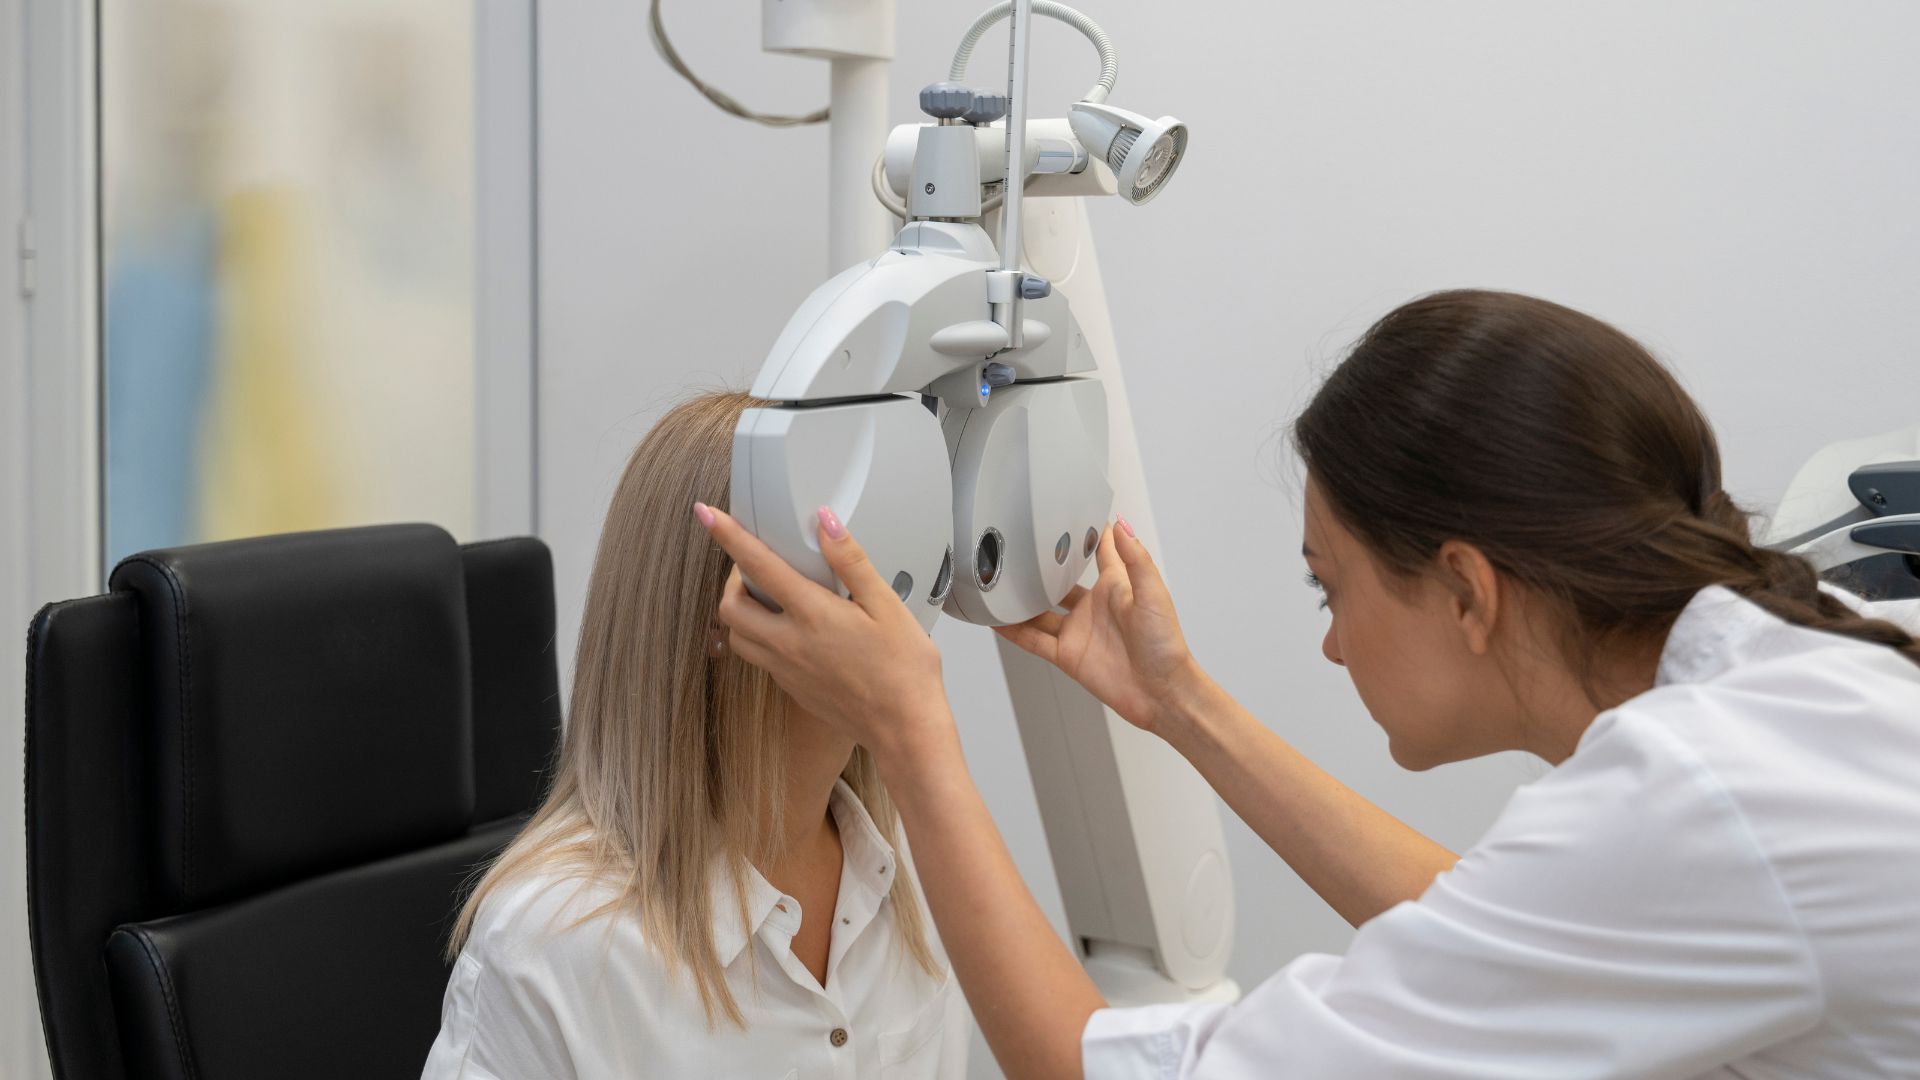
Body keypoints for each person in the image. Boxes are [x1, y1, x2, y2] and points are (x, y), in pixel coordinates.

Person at [695, 290, 1920, 1079]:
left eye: (1327, 588)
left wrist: (913, 732)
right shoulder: (1791, 683)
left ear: (1467, 590)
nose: (1331, 646)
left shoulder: (1700, 796)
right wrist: (1178, 703)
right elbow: (1512, 929)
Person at [424, 392, 966, 1078]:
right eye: (844, 569)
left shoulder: (900, 872)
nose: (891, 615)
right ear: (728, 612)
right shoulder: (549, 945)